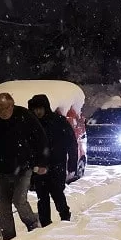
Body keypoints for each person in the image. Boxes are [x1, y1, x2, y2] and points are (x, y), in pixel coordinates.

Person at [0, 93, 47, 240]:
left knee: (18, 200)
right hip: (3, 169)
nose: (3, 111)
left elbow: (40, 138)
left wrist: (41, 162)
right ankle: (9, 239)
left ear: (12, 105)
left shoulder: (25, 116)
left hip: (24, 167)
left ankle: (33, 225)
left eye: (6, 107)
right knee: (4, 207)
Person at [28, 94, 80, 225]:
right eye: (35, 109)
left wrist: (72, 164)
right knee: (42, 198)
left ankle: (65, 218)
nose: (38, 111)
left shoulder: (59, 121)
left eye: (40, 108)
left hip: (57, 165)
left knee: (57, 194)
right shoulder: (32, 124)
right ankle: (45, 224)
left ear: (46, 107)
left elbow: (71, 143)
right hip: (39, 167)